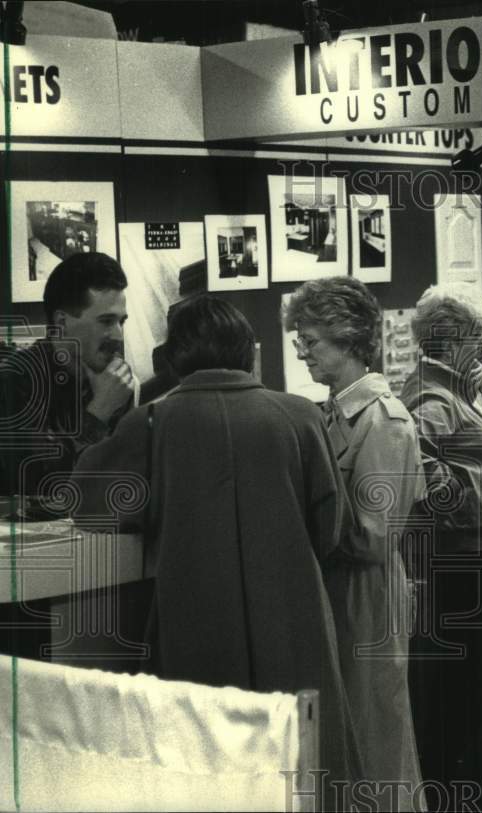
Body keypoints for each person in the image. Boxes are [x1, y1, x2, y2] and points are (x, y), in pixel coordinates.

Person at [70, 295, 362, 789]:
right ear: (245, 349)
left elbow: (88, 504)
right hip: (295, 616)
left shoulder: (152, 423)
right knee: (301, 769)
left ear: (175, 354)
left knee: (207, 771)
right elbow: (332, 530)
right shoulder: (300, 417)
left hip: (196, 619)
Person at [283, 277, 424, 810]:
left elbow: (373, 534)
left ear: (346, 337)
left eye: (311, 341)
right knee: (344, 732)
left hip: (366, 592)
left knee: (376, 733)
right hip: (338, 589)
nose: (302, 353)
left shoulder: (384, 422)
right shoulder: (333, 413)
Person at [399, 283, 482, 787]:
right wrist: (470, 501)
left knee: (474, 687)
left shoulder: (456, 392)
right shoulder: (430, 397)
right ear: (451, 340)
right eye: (479, 335)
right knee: (461, 690)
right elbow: (423, 477)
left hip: (476, 555)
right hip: (460, 562)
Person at [0, 252, 135, 500]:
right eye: (106, 321)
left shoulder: (114, 381)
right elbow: (36, 486)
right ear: (61, 322)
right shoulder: (17, 378)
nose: (118, 336)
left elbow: (121, 477)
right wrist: (98, 413)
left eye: (121, 322)